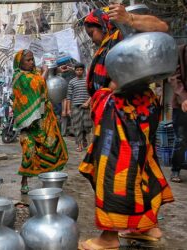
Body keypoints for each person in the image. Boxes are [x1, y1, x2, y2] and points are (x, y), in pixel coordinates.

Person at [78, 4, 174, 250]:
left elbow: (162, 27)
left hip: (124, 110)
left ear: (102, 24)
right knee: (142, 165)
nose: (92, 39)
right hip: (134, 109)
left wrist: (129, 18)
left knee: (113, 169)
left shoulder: (123, 32)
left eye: (92, 34)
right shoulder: (112, 42)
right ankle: (147, 227)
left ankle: (109, 237)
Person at [12, 49, 68, 194]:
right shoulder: (19, 77)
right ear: (20, 62)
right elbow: (37, 85)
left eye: (32, 60)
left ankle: (49, 179)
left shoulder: (34, 73)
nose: (31, 63)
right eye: (28, 60)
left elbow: (46, 82)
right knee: (29, 151)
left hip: (44, 120)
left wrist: (56, 70)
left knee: (51, 146)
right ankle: (24, 181)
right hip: (29, 124)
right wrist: (45, 72)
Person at [169, 44, 187, 183]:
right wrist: (184, 98)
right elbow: (174, 77)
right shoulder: (180, 50)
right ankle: (175, 169)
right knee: (180, 139)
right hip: (181, 104)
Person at [66, 63, 92, 152]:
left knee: (87, 125)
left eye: (81, 70)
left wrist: (88, 103)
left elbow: (92, 93)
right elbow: (69, 96)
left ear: (83, 70)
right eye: (77, 70)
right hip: (75, 106)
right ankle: (79, 145)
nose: (79, 71)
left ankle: (85, 138)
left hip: (86, 106)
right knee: (77, 126)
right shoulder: (71, 82)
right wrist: (68, 109)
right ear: (75, 70)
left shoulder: (87, 81)